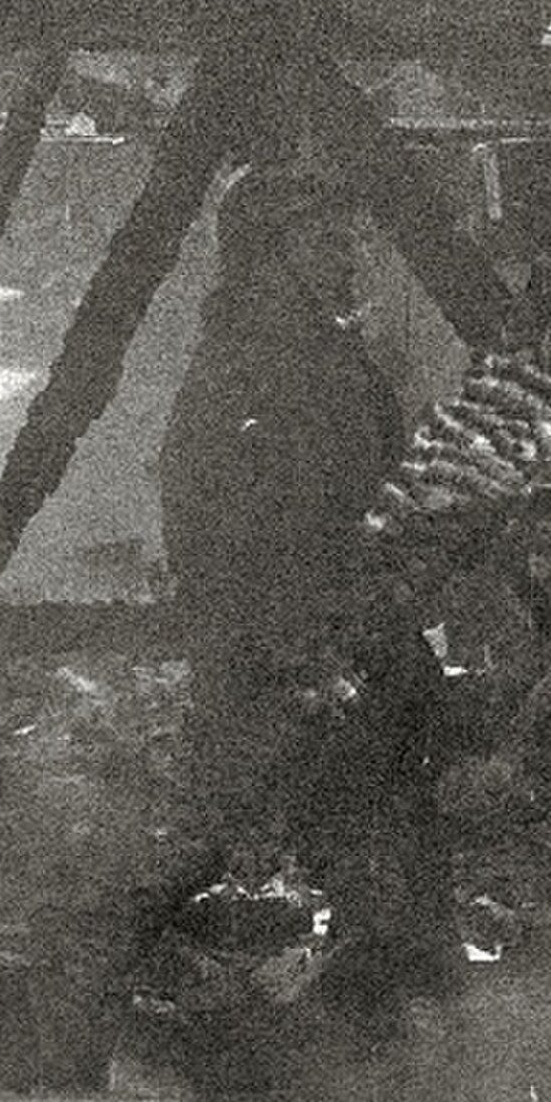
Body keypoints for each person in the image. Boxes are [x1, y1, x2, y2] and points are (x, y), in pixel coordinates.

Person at [156, 164, 457, 1009]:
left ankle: (392, 1028)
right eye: (327, 237)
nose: (350, 255)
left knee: (383, 850)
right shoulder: (248, 367)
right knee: (305, 852)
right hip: (292, 659)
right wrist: (276, 642)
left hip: (353, 649)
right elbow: (211, 518)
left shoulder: (332, 358)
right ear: (269, 251)